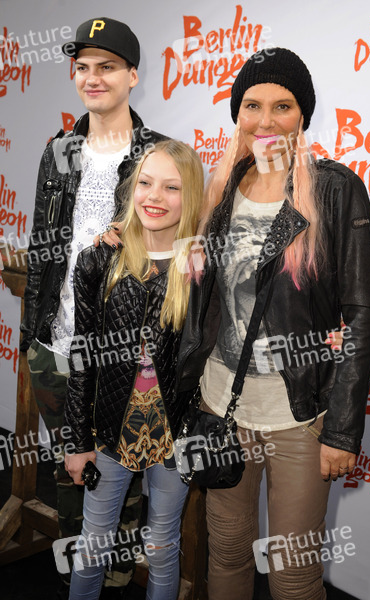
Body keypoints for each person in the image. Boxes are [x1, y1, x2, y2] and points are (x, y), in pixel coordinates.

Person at [175, 48, 370, 600]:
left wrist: (341, 432)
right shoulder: (220, 189)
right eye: (252, 105)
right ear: (237, 113)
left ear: (302, 115)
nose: (265, 120)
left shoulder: (336, 190)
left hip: (299, 417)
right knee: (226, 553)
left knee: (293, 576)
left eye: (282, 106)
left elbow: (362, 315)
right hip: (221, 407)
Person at [20, 17, 165, 598]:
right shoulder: (57, 151)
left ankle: (118, 578)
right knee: (70, 472)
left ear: (132, 75)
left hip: (122, 353)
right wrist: (32, 335)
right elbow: (42, 244)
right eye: (82, 67)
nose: (92, 77)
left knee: (120, 481)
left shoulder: (158, 155)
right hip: (55, 347)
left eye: (107, 66)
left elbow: (173, 257)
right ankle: (75, 574)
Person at [63, 139, 205, 600]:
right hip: (109, 430)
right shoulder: (99, 259)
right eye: (146, 183)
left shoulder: (201, 270)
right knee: (93, 546)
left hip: (174, 435)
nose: (154, 197)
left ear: (191, 197)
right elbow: (82, 356)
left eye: (171, 187)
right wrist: (77, 441)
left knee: (162, 546)